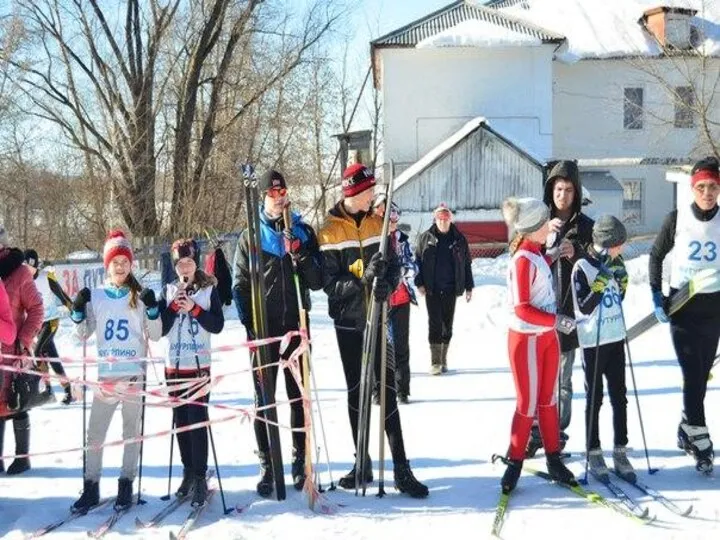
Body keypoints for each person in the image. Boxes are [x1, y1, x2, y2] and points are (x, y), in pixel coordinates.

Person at [318, 163, 428, 498]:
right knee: (357, 391)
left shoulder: (377, 223)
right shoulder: (329, 230)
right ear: (353, 192)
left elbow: (394, 266)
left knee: (387, 388)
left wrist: (386, 282)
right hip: (349, 322)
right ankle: (361, 462)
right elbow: (328, 284)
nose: (374, 196)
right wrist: (361, 281)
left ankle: (401, 467)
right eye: (369, 191)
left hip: (378, 317)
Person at [233, 169, 323, 497]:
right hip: (264, 330)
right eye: (272, 193)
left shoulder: (302, 230)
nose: (279, 196)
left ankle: (300, 461)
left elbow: (317, 280)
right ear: (263, 197)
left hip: (295, 325)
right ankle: (269, 465)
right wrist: (250, 325)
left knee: (298, 396)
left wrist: (301, 252)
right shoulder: (250, 237)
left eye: (282, 190)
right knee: (264, 400)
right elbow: (239, 284)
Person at [70, 230, 161, 512]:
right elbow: (82, 334)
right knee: (95, 435)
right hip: (106, 378)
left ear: (131, 264)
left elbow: (155, 335)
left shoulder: (139, 295)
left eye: (124, 261)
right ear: (107, 265)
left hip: (133, 374)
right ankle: (91, 486)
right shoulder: (96, 295)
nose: (120, 266)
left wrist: (154, 310)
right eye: (115, 261)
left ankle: (125, 484)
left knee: (131, 433)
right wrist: (77, 311)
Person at [500, 197, 577, 493]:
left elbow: (539, 265)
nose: (550, 226)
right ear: (533, 228)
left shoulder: (534, 252)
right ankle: (514, 463)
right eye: (545, 223)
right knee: (527, 404)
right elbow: (521, 308)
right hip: (526, 340)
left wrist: (553, 254)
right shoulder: (520, 259)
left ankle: (554, 459)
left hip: (545, 338)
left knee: (548, 401)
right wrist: (555, 320)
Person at [649, 157, 720, 473]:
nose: (707, 192)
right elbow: (656, 255)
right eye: (702, 187)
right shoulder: (676, 219)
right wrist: (655, 293)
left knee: (701, 375)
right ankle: (700, 437)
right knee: (692, 373)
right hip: (682, 308)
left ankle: (685, 427)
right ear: (693, 189)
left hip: (714, 311)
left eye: (713, 187)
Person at [527, 160, 594, 457]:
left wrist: (577, 252)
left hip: (568, 315)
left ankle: (559, 431)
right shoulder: (538, 224)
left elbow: (598, 266)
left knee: (563, 380)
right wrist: (545, 243)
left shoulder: (586, 227)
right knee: (538, 378)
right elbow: (520, 256)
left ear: (576, 192)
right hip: (539, 314)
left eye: (568, 189)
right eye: (557, 189)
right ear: (550, 191)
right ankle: (535, 431)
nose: (562, 195)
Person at [156, 238, 224, 506]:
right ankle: (187, 471)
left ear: (196, 264)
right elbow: (160, 328)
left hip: (198, 366)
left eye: (189, 262)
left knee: (197, 420)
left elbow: (217, 325)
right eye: (180, 263)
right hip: (174, 365)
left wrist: (194, 309)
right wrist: (174, 307)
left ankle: (199, 475)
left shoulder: (208, 290)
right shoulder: (169, 290)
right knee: (181, 421)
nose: (185, 267)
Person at [571, 215, 635, 483]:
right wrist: (598, 285)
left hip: (615, 337)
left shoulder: (615, 263)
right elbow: (584, 306)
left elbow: (616, 298)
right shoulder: (582, 267)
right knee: (594, 398)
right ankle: (593, 450)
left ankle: (620, 450)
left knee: (620, 397)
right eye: (618, 244)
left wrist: (621, 284)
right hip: (593, 342)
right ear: (606, 244)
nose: (622, 248)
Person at [0, 229, 44, 476]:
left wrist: (24, 340)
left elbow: (37, 309)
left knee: (17, 400)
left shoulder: (19, 273)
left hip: (14, 348)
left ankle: (22, 456)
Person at [414, 203, 474, 375]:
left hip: (450, 289)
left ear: (450, 220)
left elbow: (467, 264)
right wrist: (419, 283)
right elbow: (417, 262)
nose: (443, 222)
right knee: (434, 323)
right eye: (440, 219)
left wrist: (469, 286)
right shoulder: (425, 238)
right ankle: (435, 362)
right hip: (431, 289)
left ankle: (443, 358)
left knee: (447, 325)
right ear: (435, 219)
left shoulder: (459, 239)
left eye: (446, 219)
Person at [23, 249, 75, 405]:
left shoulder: (46, 277)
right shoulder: (24, 281)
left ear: (35, 265)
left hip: (51, 321)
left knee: (38, 351)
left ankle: (48, 389)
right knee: (52, 357)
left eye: (28, 266)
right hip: (37, 323)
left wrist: (74, 309)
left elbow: (62, 295)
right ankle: (67, 391)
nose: (26, 270)